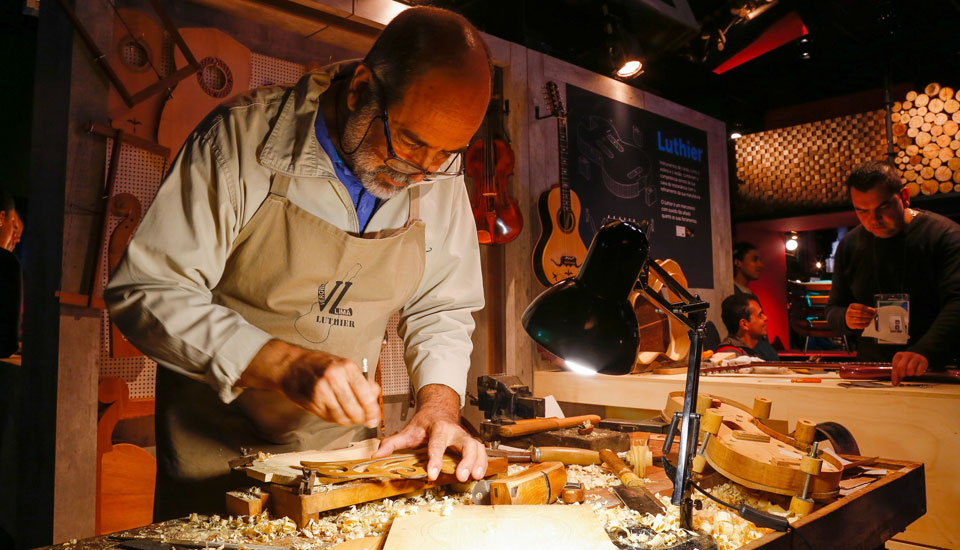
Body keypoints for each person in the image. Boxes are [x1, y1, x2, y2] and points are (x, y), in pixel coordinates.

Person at [105, 7, 492, 519]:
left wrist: (440, 405)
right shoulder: (238, 141)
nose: (420, 172)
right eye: (410, 143)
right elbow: (147, 291)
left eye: (446, 154)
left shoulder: (435, 174)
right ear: (359, 92)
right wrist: (284, 364)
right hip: (216, 463)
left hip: (343, 466)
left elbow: (441, 307)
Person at [826, 161, 960, 385]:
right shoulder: (849, 244)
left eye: (883, 207)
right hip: (872, 372)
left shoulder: (944, 236)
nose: (873, 219)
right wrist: (846, 318)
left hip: (937, 370)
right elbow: (832, 309)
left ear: (904, 196)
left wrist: (925, 350)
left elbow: (957, 301)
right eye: (862, 211)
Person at [731, 241, 778, 360]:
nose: (760, 265)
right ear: (738, 262)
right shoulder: (732, 294)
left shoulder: (750, 295)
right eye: (754, 259)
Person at [0, 191, 22, 358]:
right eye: (13, 227)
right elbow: (6, 344)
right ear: (1, 218)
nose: (16, 239)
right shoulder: (7, 264)